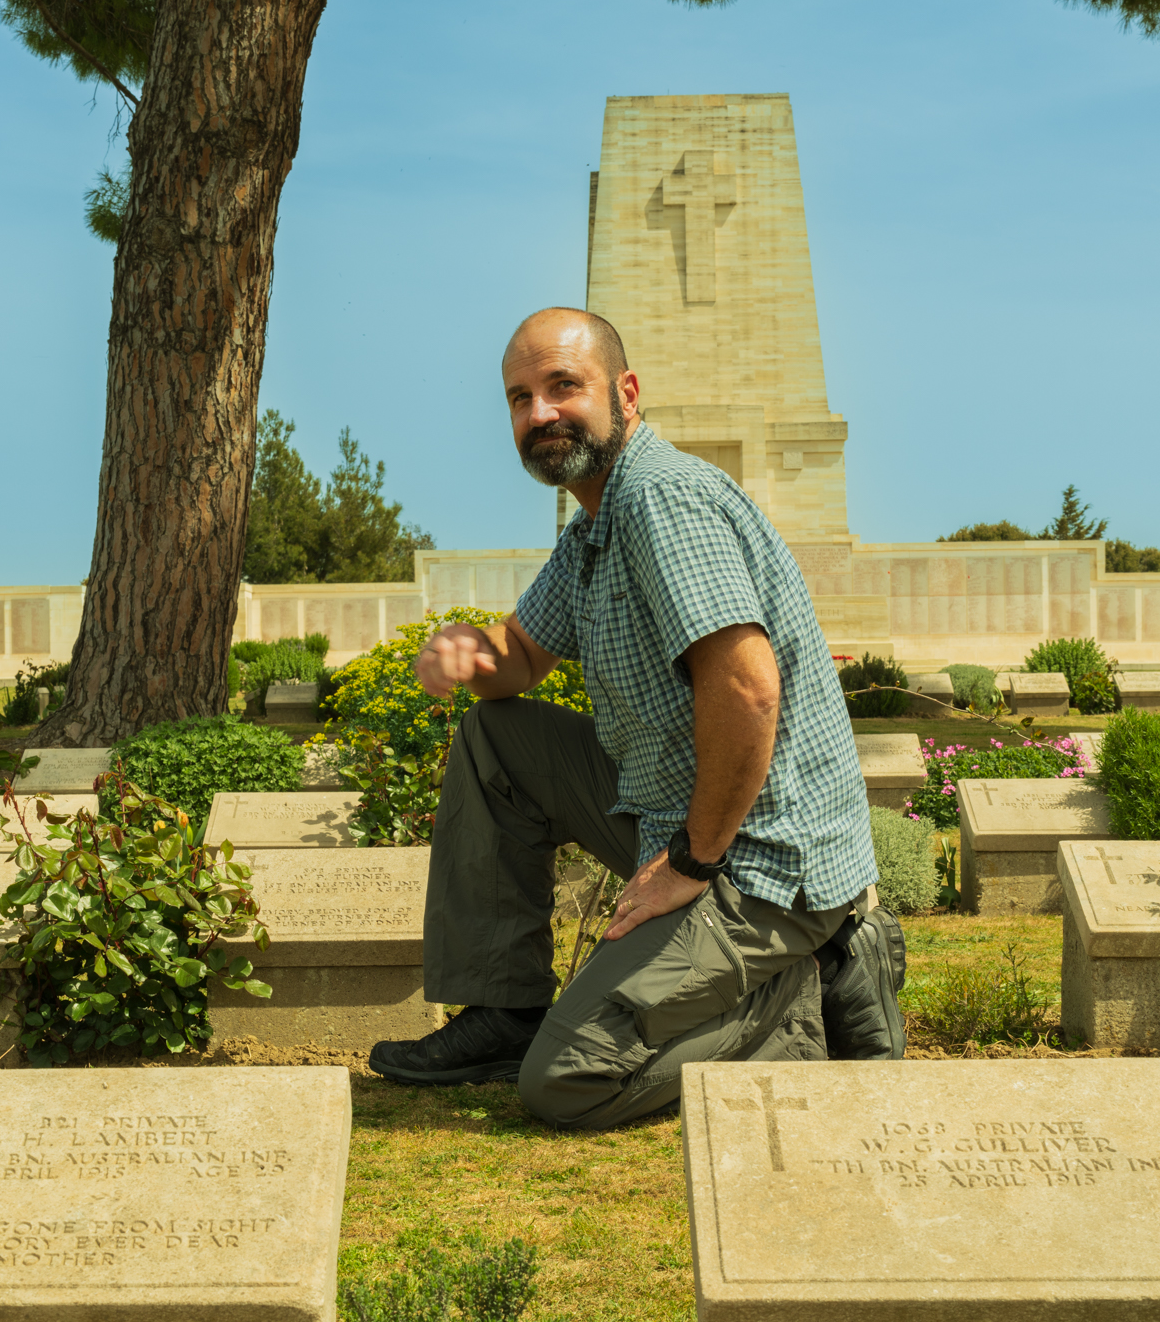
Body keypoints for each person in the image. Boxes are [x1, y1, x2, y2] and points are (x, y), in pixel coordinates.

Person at [368, 307, 905, 1129]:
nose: (540, 413)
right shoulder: (595, 524)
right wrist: (466, 652)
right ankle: (503, 1012)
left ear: (625, 393)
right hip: (669, 813)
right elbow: (518, 655)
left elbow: (747, 690)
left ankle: (800, 996)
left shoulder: (663, 502)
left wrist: (689, 863)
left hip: (760, 861)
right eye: (520, 398)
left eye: (562, 387)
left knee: (566, 1081)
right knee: (495, 738)